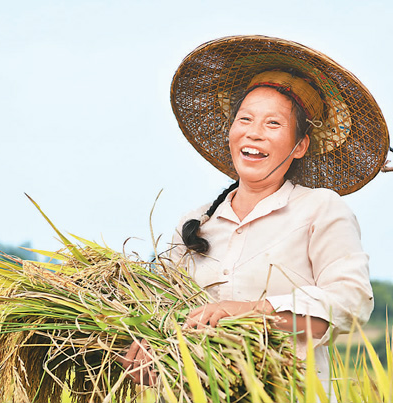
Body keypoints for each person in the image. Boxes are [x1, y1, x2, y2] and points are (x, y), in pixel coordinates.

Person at [119, 35, 390, 395]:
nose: (254, 133)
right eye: (245, 119)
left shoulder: (320, 209)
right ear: (231, 130)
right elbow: (163, 310)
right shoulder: (196, 222)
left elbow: (349, 301)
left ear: (300, 146)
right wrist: (151, 345)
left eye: (273, 124)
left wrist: (250, 310)